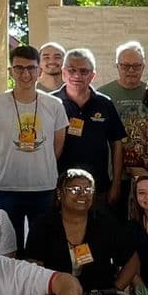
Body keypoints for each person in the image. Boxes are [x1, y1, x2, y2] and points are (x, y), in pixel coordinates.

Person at [0, 44, 69, 245]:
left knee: (43, 246)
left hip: (44, 187)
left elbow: (58, 146)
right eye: (19, 68)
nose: (25, 74)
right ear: (11, 71)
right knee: (7, 246)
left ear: (39, 71)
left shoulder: (55, 105)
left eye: (31, 68)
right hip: (4, 187)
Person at [22, 169, 139, 290]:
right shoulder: (43, 225)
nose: (83, 194)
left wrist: (114, 291)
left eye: (88, 190)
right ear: (59, 193)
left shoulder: (106, 223)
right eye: (75, 189)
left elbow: (132, 260)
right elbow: (34, 267)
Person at [56, 47, 126, 208]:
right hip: (60, 186)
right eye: (71, 70)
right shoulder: (52, 104)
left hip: (98, 187)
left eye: (83, 71)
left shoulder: (105, 103)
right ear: (63, 72)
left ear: (93, 75)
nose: (77, 75)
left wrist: (116, 184)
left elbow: (117, 143)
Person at [103, 41, 148, 131]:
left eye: (136, 66)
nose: (131, 70)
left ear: (143, 67)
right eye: (125, 66)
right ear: (117, 66)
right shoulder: (103, 94)